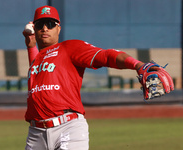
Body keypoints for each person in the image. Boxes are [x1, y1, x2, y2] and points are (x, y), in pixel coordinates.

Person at [23, 5, 160, 150]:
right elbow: (37, 65)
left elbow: (106, 56)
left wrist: (137, 65)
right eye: (40, 25)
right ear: (34, 29)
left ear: (58, 28)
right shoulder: (37, 59)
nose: (45, 28)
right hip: (35, 133)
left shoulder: (69, 47)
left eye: (50, 24)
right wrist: (31, 45)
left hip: (67, 127)